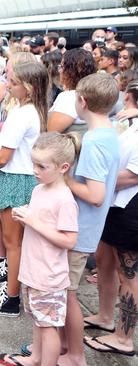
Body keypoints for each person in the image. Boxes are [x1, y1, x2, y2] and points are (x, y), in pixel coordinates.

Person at [0, 132, 80, 366]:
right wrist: (24, 217)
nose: (35, 170)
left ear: (63, 167)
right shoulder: (39, 190)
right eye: (34, 164)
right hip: (33, 269)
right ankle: (35, 358)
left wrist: (33, 222)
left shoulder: (64, 200)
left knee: (48, 327)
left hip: (49, 275)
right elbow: (39, 223)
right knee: (37, 319)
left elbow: (69, 241)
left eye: (41, 166)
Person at [0, 62, 49, 317]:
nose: (8, 85)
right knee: (14, 243)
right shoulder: (33, 110)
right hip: (20, 177)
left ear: (27, 87)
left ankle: (11, 299)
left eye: (13, 82)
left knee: (13, 244)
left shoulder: (23, 113)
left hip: (16, 177)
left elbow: (4, 156)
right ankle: (10, 290)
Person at [58, 73, 120, 366]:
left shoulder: (94, 141)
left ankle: (75, 355)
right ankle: (60, 345)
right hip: (88, 228)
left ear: (82, 102)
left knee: (68, 295)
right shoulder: (111, 132)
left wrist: (66, 179)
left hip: (80, 230)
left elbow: (95, 194)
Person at [83, 79, 138, 358]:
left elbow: (133, 174)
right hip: (114, 204)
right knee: (104, 259)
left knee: (129, 274)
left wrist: (96, 181)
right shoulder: (131, 122)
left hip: (130, 208)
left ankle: (124, 338)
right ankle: (105, 316)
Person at [47, 48, 97, 135]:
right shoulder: (94, 92)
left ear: (71, 71)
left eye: (62, 67)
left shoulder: (69, 97)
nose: (60, 71)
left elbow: (51, 132)